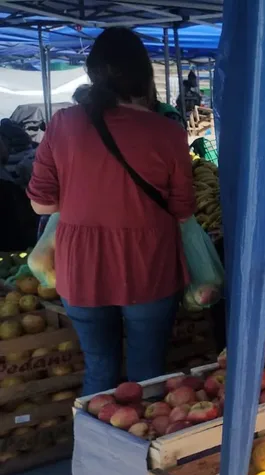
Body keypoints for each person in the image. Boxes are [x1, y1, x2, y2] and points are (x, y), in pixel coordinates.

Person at [26, 28, 194, 394]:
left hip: (80, 268)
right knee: (147, 375)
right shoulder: (168, 133)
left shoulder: (63, 124)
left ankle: (96, 450)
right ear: (145, 75)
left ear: (92, 72)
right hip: (149, 267)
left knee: (99, 370)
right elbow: (183, 210)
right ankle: (144, 447)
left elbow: (42, 203)